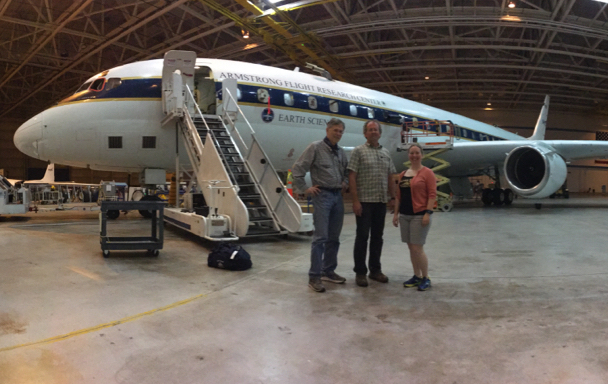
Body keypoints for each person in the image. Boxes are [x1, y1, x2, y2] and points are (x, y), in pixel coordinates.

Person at [292, 118, 349, 293]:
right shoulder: (315, 148)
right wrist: (304, 189)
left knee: (334, 237)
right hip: (322, 195)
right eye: (335, 130)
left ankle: (328, 271)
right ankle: (314, 276)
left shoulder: (340, 152)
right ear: (327, 130)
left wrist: (345, 182)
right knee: (320, 237)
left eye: (340, 131)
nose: (338, 134)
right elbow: (298, 169)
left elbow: (346, 171)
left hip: (337, 196)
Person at [348, 120, 397, 287]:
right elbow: (352, 176)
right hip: (364, 202)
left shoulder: (386, 152)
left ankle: (375, 270)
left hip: (380, 202)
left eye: (376, 129)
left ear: (380, 133)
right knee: (362, 237)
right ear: (365, 134)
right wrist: (355, 201)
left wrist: (393, 198)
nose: (374, 132)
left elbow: (391, 176)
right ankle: (360, 272)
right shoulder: (358, 152)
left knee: (378, 237)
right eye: (370, 130)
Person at [392, 143, 437, 291]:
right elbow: (399, 196)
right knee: (411, 248)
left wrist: (427, 213)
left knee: (418, 248)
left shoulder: (427, 173)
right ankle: (416, 276)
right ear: (408, 156)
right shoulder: (403, 174)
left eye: (417, 153)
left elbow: (432, 195)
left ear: (422, 155)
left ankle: (425, 277)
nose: (414, 156)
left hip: (419, 215)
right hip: (405, 215)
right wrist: (396, 214)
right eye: (412, 153)